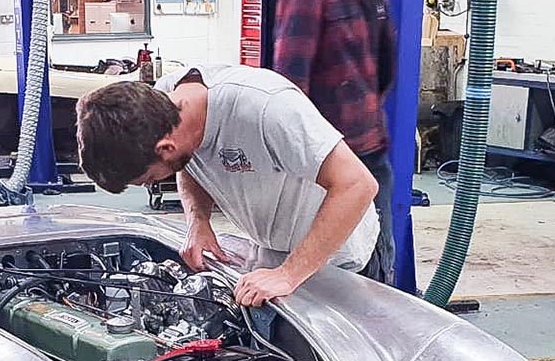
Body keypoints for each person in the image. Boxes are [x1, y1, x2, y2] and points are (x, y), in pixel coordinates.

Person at [75, 65, 382, 308]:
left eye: (151, 180)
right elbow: (186, 161)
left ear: (165, 148)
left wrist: (290, 274)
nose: (153, 184)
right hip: (275, 257)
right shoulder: (165, 105)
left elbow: (357, 184)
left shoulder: (267, 108)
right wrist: (198, 221)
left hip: (340, 261)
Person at [272, 0, 398, 285]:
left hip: (330, 159)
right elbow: (387, 66)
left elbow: (288, 92)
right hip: (366, 145)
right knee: (376, 266)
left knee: (327, 274)